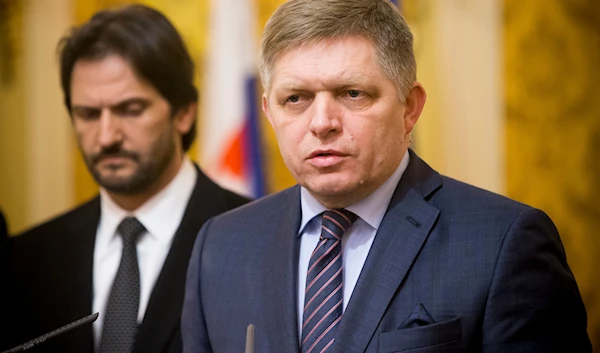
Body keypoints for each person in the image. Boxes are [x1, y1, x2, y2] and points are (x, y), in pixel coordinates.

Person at [181, 0, 591, 352]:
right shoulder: (221, 245)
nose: (322, 122)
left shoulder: (504, 243)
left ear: (410, 107)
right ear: (269, 112)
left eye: (352, 93)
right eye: (296, 99)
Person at [0, 4, 249, 353]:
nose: (106, 137)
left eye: (130, 110)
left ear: (184, 113)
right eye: (88, 114)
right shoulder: (28, 259)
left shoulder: (256, 240)